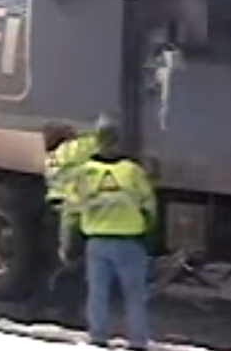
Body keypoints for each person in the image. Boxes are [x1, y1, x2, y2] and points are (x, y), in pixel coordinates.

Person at [59, 115, 157, 351]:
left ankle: (98, 338)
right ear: (118, 142)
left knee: (98, 294)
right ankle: (137, 341)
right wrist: (149, 232)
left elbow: (70, 213)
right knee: (134, 296)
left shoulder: (84, 174)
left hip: (97, 243)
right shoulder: (133, 173)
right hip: (130, 244)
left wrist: (66, 243)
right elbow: (149, 207)